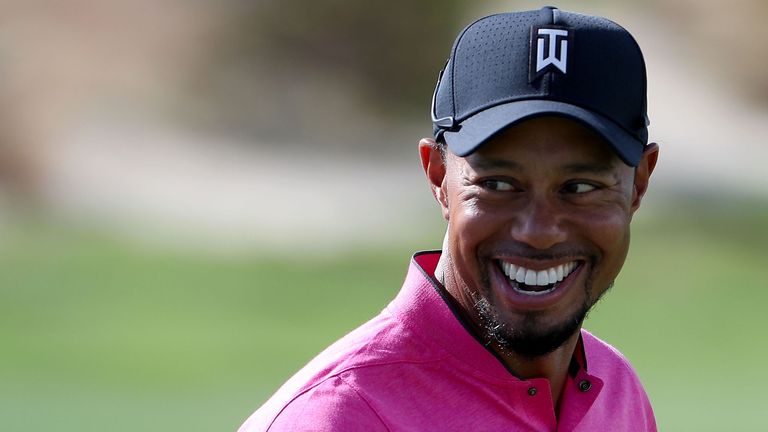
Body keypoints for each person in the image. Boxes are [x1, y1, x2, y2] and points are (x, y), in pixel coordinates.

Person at [239, 6, 659, 431]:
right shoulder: (334, 418)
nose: (539, 231)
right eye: (497, 184)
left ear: (639, 184)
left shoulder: (618, 389)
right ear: (437, 175)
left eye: (580, 188)